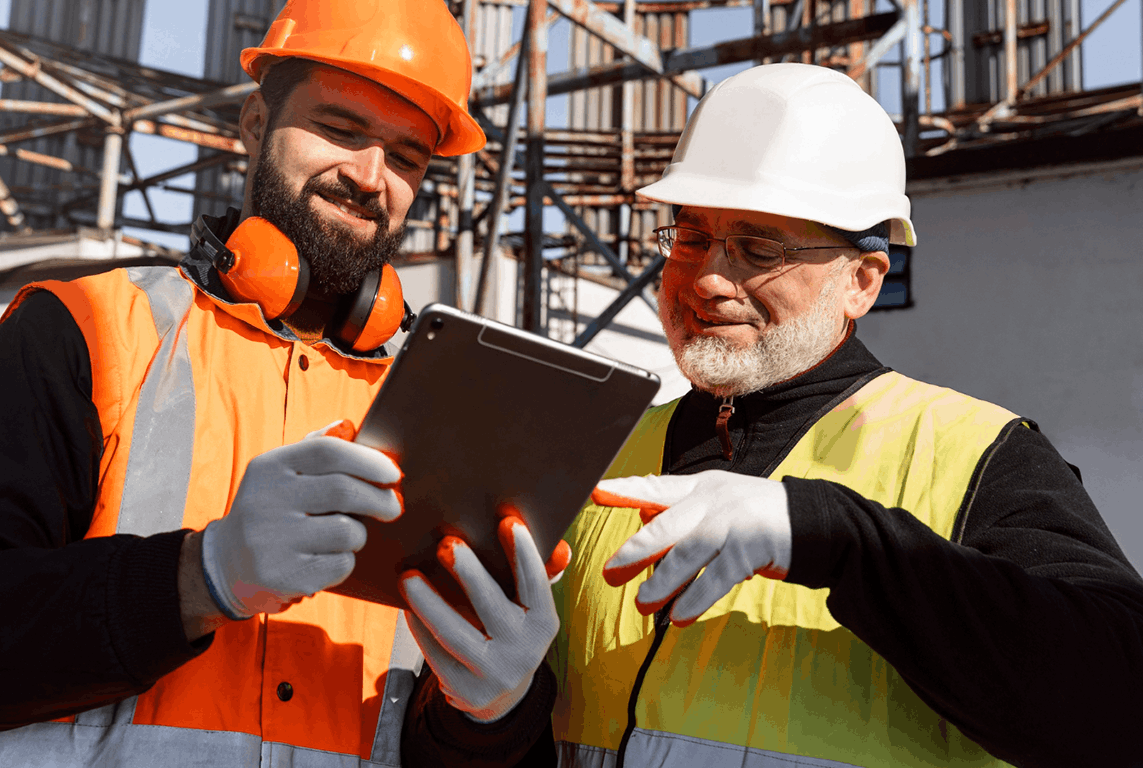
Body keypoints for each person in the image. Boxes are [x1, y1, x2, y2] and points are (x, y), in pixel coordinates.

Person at [0, 0, 558, 768]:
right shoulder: (88, 333)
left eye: (405, 156)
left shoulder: (445, 409)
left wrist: (495, 716)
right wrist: (200, 575)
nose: (371, 177)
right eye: (340, 128)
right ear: (255, 124)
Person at [401, 63, 1143, 767]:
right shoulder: (595, 454)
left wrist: (833, 537)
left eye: (759, 248)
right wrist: (486, 719)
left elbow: (1119, 703)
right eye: (690, 236)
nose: (709, 278)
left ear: (861, 280)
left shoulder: (976, 456)